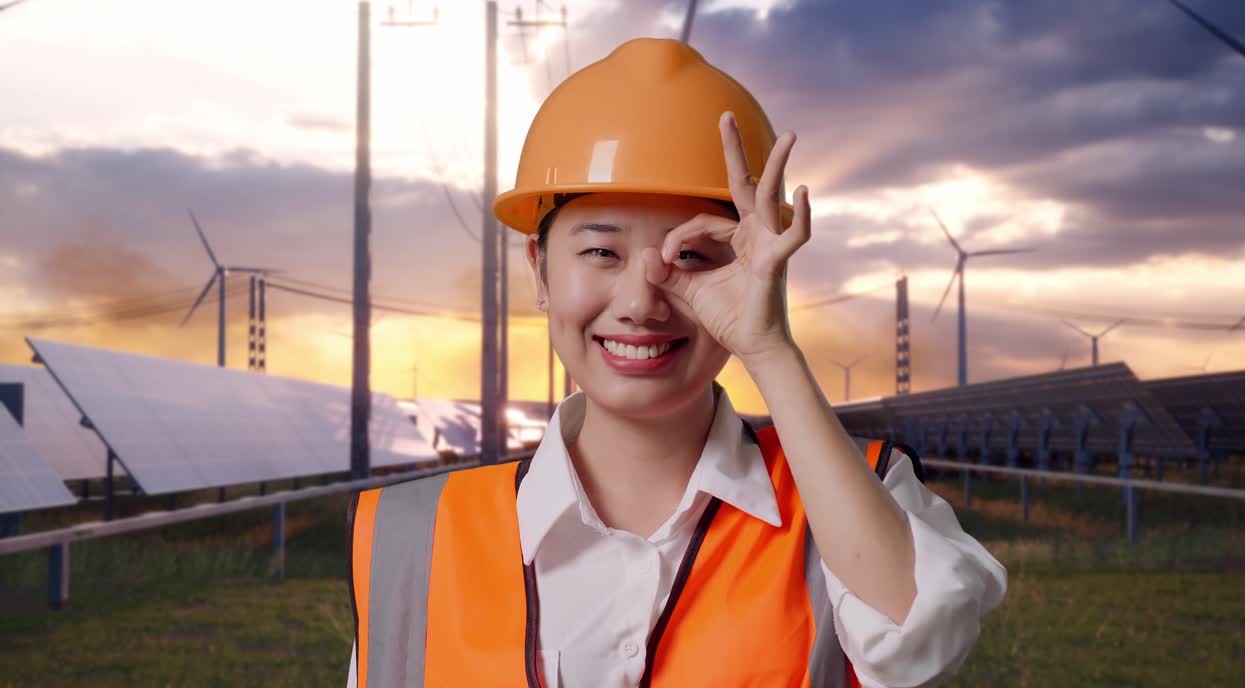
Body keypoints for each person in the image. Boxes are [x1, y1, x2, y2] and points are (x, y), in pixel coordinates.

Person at [346, 37, 1006, 687]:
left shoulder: (857, 499)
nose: (641, 302)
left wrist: (770, 349)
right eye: (602, 252)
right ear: (539, 268)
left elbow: (922, 636)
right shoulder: (413, 542)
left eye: (693, 256)